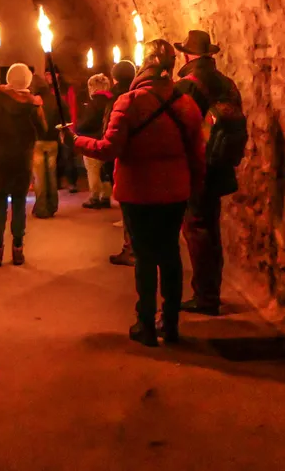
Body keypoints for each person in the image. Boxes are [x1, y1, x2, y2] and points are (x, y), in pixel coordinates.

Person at [72, 40, 205, 347]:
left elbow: (109, 149)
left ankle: (145, 323)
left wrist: (76, 141)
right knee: (170, 253)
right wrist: (195, 184)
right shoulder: (186, 104)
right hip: (175, 191)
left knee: (145, 257)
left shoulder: (129, 102)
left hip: (138, 190)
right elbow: (197, 153)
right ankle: (170, 323)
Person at [174, 30, 247, 316]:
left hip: (198, 165)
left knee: (196, 229)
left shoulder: (189, 85)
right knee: (211, 229)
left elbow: (180, 127)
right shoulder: (226, 83)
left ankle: (205, 296)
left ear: (187, 55)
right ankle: (211, 291)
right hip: (220, 164)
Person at [0, 63, 47, 266]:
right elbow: (42, 130)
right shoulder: (32, 105)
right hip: (22, 159)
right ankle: (18, 249)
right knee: (19, 204)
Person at [107, 60, 137, 265]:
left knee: (130, 209)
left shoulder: (118, 99)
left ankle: (131, 249)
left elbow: (109, 135)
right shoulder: (141, 95)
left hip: (126, 160)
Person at [76, 73, 114, 209]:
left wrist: (77, 128)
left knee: (93, 169)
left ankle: (95, 196)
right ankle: (106, 196)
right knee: (105, 170)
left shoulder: (94, 104)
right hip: (107, 139)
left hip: (92, 140)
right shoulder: (112, 101)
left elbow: (86, 123)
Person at [30, 70, 64, 218]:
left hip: (37, 141)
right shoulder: (56, 100)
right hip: (53, 141)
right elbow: (64, 118)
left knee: (39, 177)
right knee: (51, 174)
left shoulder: (33, 102)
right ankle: (53, 205)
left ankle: (41, 207)